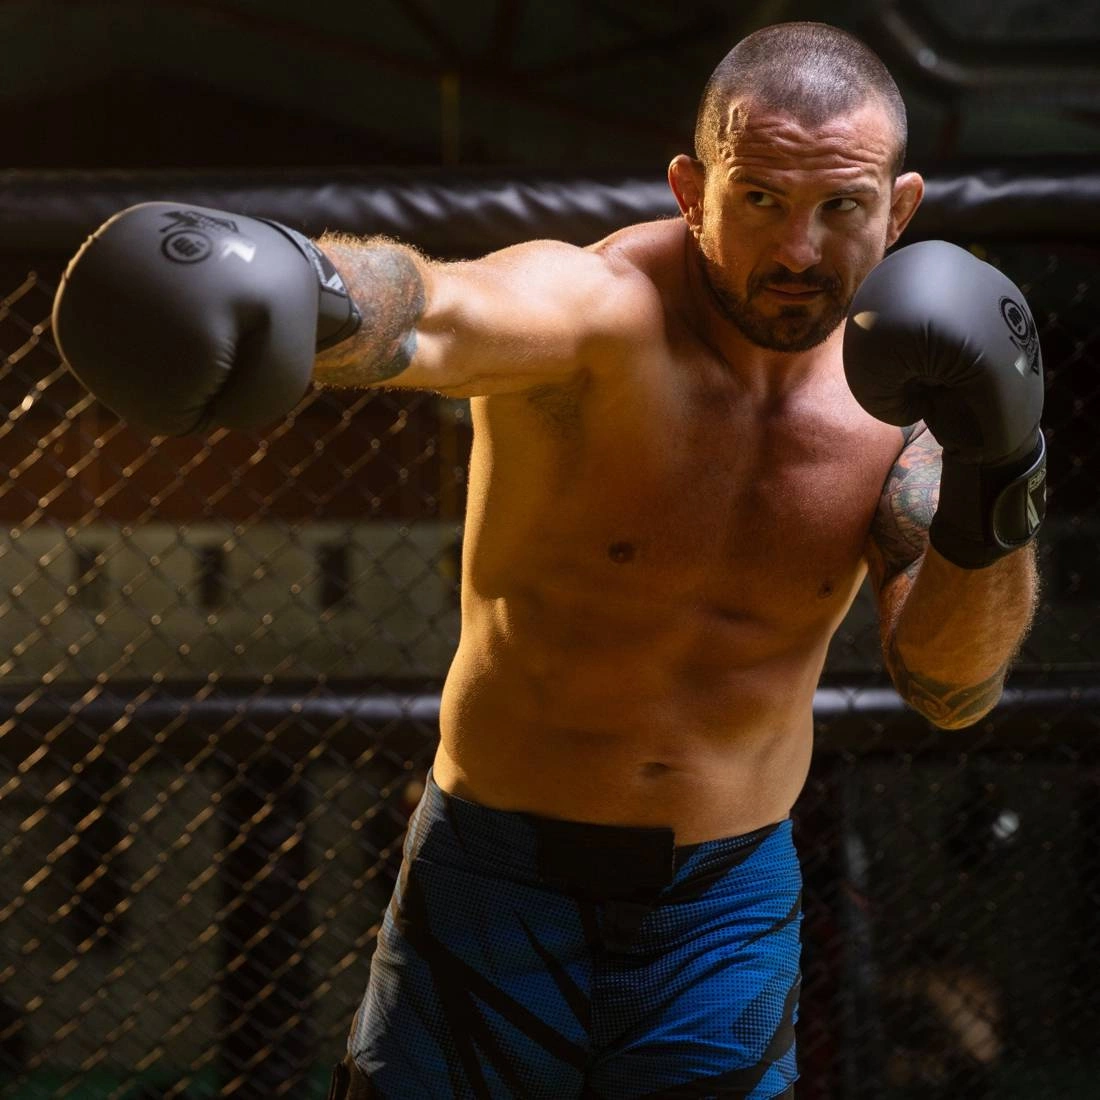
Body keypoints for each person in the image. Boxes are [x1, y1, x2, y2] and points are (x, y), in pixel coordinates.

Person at [51, 21, 1045, 1100]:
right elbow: (436, 309)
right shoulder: (598, 312)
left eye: (840, 207)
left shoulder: (910, 410)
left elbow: (949, 688)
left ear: (898, 209)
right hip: (494, 878)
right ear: (690, 192)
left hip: (722, 906)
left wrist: (1002, 472)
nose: (799, 250)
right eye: (759, 198)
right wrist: (307, 282)